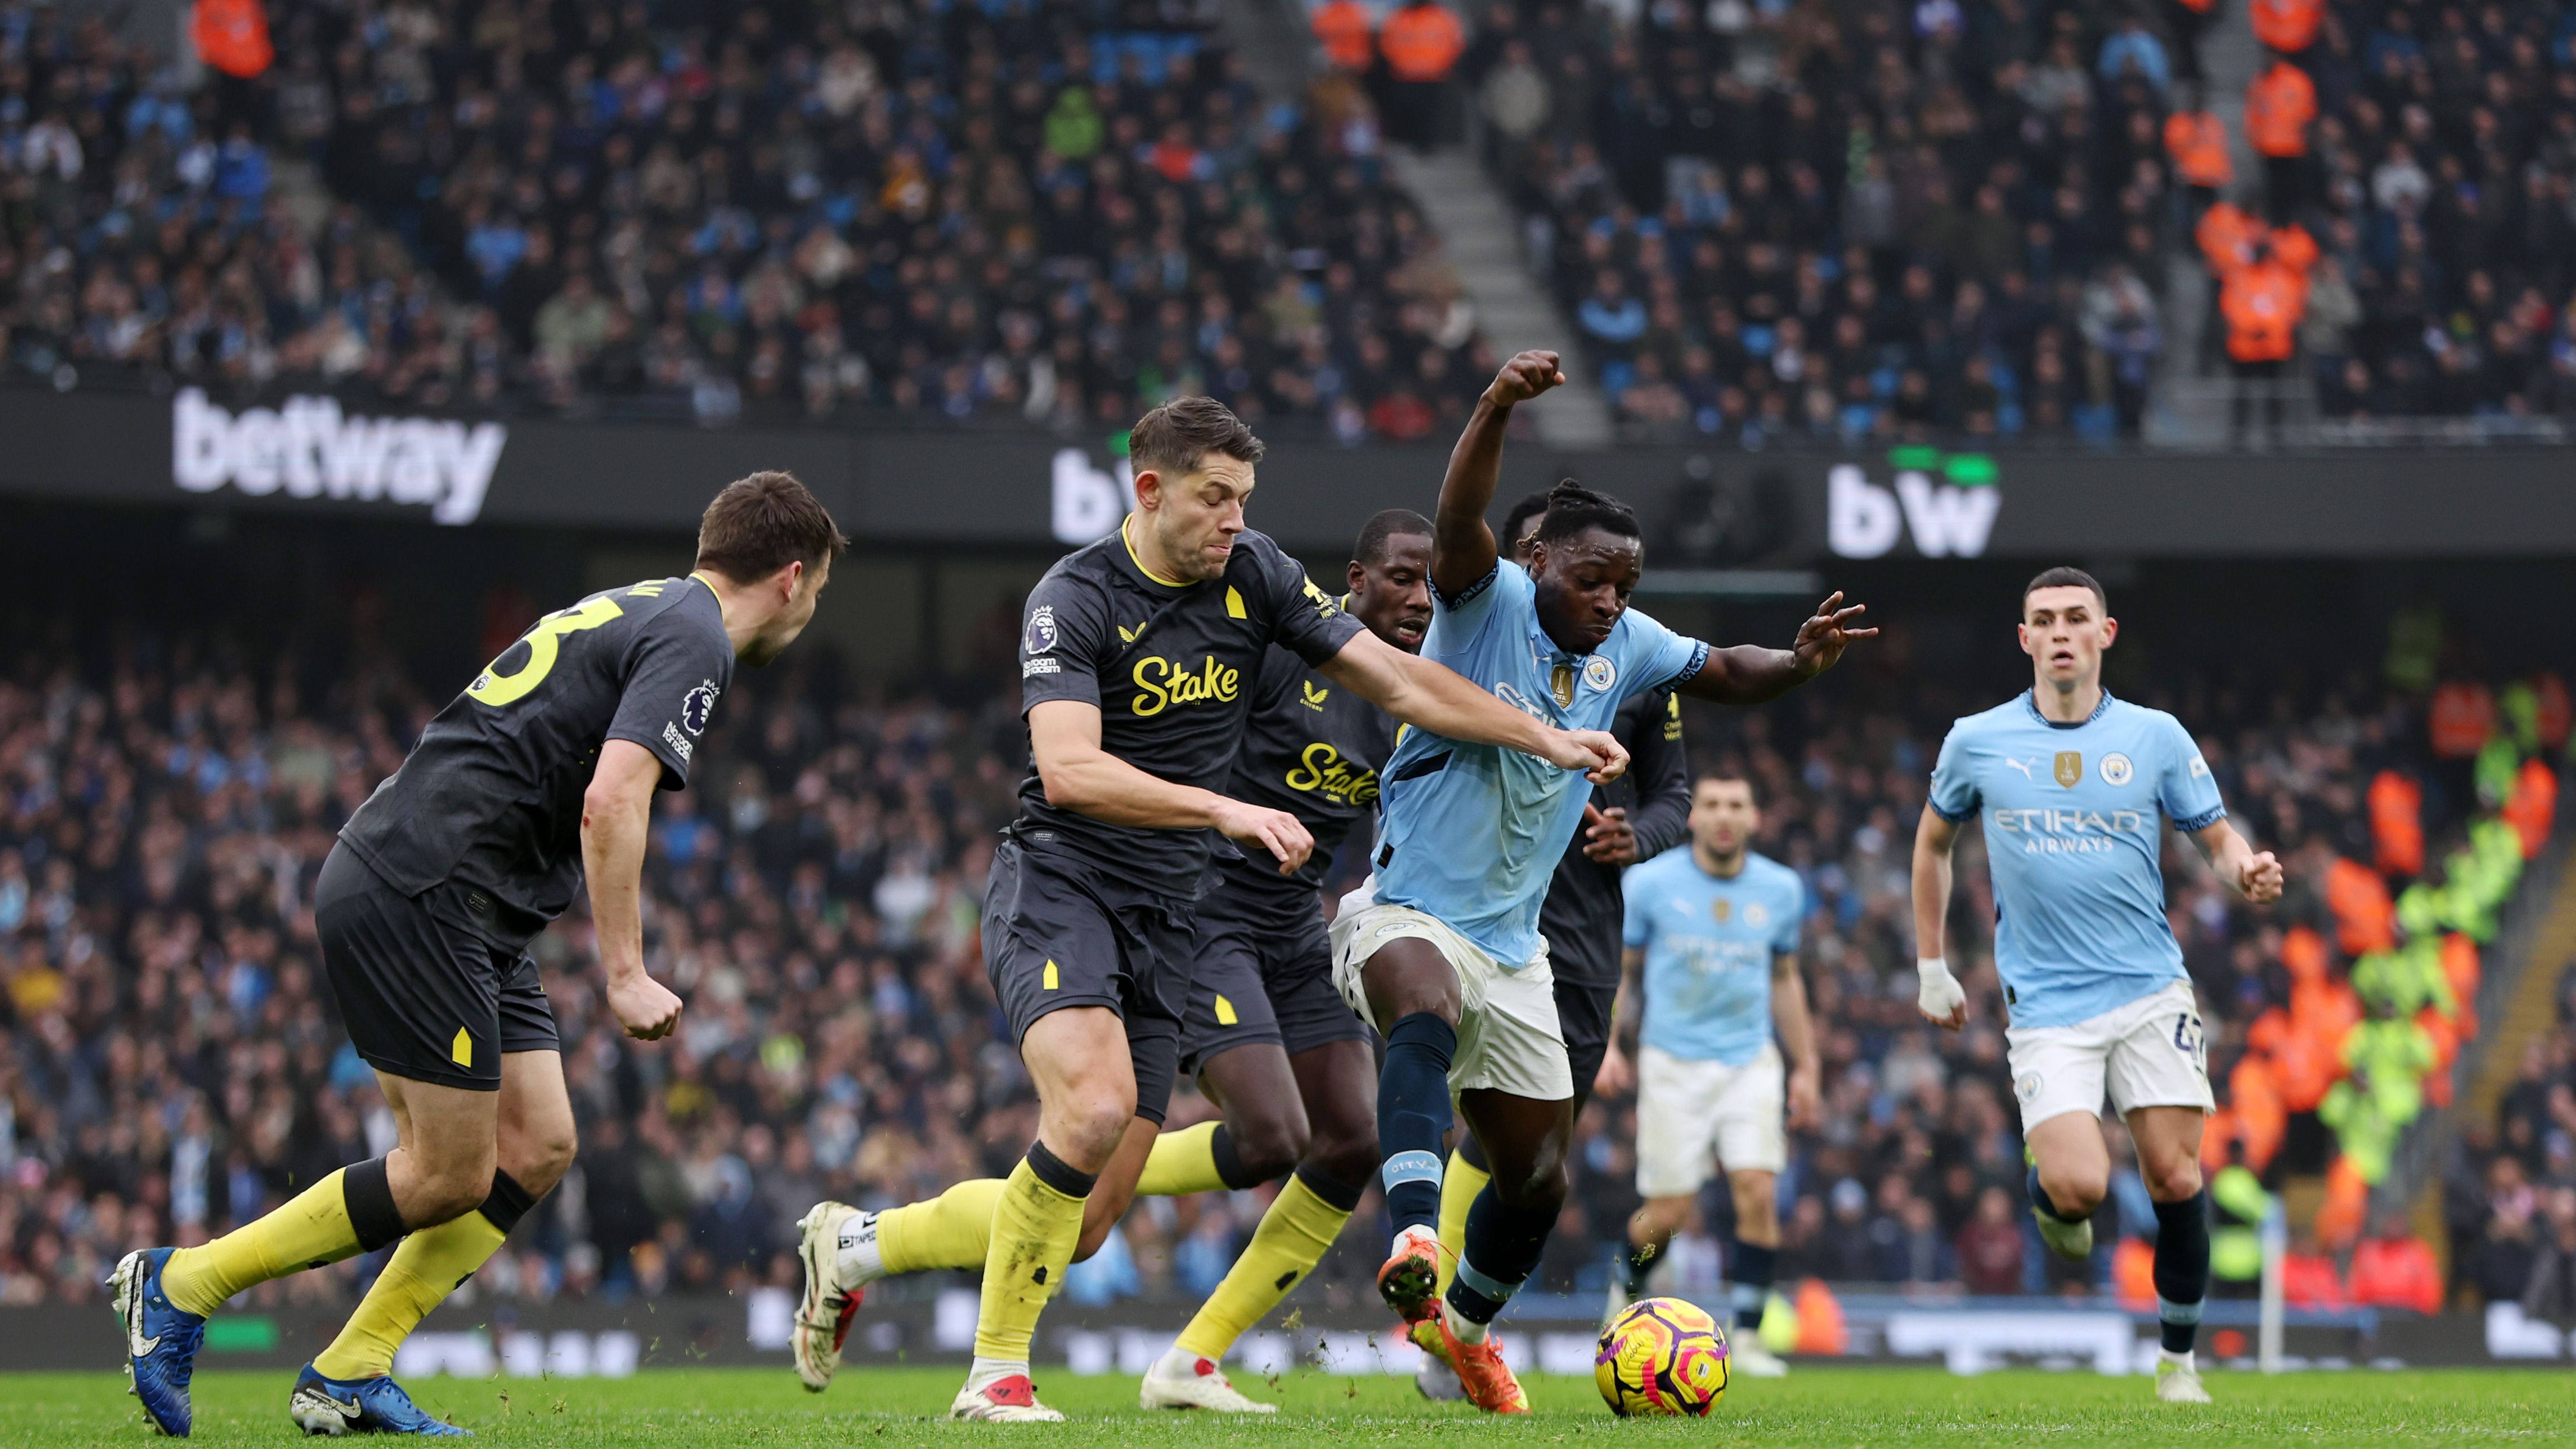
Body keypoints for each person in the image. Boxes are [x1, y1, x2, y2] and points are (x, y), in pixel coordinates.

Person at [791, 396, 1624, 1422]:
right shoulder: (1075, 596)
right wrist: (1227, 808)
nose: (1236, 519)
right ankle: (995, 1372)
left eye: (1244, 498)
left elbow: (1400, 686)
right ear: (1150, 490)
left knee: (1103, 1215)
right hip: (1070, 880)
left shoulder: (1260, 578)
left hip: (1185, 913)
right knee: (1103, 1115)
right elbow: (1065, 769)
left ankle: (861, 1246)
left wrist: (1542, 738)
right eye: (1215, 497)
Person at [111, 471, 848, 1436]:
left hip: (469, 901)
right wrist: (623, 972)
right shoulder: (698, 636)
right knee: (445, 1171)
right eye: (822, 589)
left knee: (539, 1144)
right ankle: (181, 1282)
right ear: (791, 578)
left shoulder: (645, 607)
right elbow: (611, 800)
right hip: (428, 889)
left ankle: (350, 1367)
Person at [785, 508, 1440, 1414]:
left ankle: (865, 1246)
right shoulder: (1282, 642)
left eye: (1431, 584)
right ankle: (988, 1360)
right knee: (1227, 1133)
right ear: (1353, 581)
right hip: (1198, 904)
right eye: (1400, 577)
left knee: (1265, 1163)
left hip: (1290, 919)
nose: (1417, 598)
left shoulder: (1415, 698)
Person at [1341, 349, 1871, 1413]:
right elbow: (1456, 519)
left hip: (1517, 950)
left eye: (1623, 583)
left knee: (1539, 1178)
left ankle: (1468, 1335)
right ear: (1537, 561)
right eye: (1590, 578)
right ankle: (1407, 1227)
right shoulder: (1476, 601)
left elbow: (1725, 671)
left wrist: (1800, 662)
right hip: (1404, 909)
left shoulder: (1627, 643)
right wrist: (1492, 405)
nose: (1608, 599)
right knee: (1421, 1002)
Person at [1910, 565, 2284, 1406]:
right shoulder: (1976, 739)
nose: (2061, 632)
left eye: (2077, 617)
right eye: (2044, 619)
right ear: (2025, 639)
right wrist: (1931, 966)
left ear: (2104, 634)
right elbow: (1932, 844)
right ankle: (2055, 1202)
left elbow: (2213, 837)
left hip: (2150, 989)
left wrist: (2244, 871)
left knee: (2175, 1178)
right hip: (2046, 1007)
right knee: (2078, 1184)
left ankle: (2178, 1362)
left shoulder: (2154, 736)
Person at [1416, 488, 1691, 1401]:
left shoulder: (1634, 667)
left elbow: (1671, 799)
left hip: (1573, 927)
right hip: (1459, 907)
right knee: (1460, 1100)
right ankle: (1435, 1300)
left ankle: (1451, 1326)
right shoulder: (1473, 637)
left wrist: (1635, 839)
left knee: (1529, 1146)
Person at [1591, 773, 1815, 1374]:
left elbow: (1785, 978)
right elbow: (1624, 973)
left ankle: (1745, 1338)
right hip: (1671, 1060)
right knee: (1666, 1212)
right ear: (1692, 817)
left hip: (1749, 1061)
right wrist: (1610, 1045)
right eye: (1711, 803)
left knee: (1757, 1191)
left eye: (1735, 804)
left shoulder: (1781, 889)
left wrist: (1807, 1066)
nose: (1723, 815)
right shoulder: (1649, 884)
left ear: (1754, 818)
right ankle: (1622, 1297)